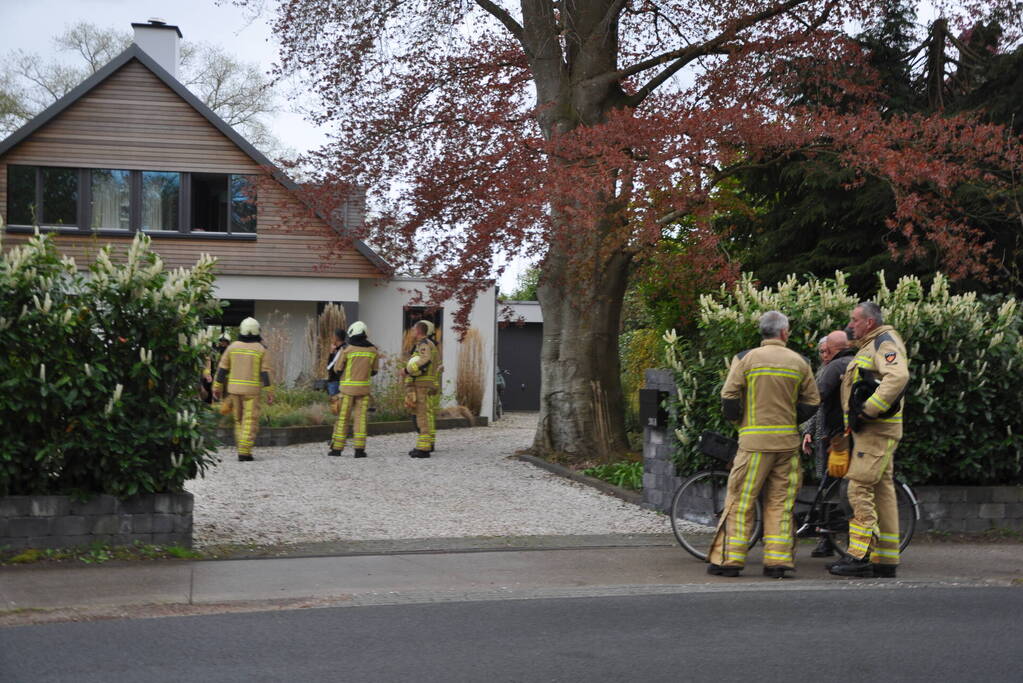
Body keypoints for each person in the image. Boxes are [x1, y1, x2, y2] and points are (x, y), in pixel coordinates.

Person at [707, 310, 820, 578]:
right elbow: (812, 402)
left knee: (741, 501)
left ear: (763, 332)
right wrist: (792, 419)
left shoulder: (745, 359)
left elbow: (729, 396)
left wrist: (739, 422)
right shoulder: (800, 361)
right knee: (781, 504)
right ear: (784, 333)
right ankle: (778, 563)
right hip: (787, 446)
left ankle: (729, 562)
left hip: (753, 445)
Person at [829, 302, 909, 578]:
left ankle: (859, 554)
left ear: (869, 323)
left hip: (876, 430)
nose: (850, 325)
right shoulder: (871, 343)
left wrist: (868, 409)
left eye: (854, 320)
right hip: (873, 431)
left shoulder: (883, 342)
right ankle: (885, 559)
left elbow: (898, 376)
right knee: (881, 491)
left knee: (858, 487)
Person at [799, 330, 856, 557]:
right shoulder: (833, 367)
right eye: (820, 351)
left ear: (834, 349)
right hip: (829, 437)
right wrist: (807, 432)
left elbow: (815, 401)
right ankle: (827, 539)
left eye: (826, 350)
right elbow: (817, 408)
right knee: (828, 488)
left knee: (833, 489)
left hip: (835, 438)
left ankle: (831, 540)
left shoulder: (834, 368)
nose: (823, 355)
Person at [212, 318, 274, 462]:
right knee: (249, 420)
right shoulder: (260, 349)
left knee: (238, 420)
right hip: (251, 391)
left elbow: (222, 369)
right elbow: (265, 372)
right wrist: (270, 391)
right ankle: (244, 451)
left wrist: (216, 387)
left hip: (234, 390)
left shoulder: (232, 347)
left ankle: (242, 448)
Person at [328, 321, 379, 458]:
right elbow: (374, 371)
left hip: (347, 391)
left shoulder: (348, 350)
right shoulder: (373, 350)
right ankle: (359, 450)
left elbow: (337, 369)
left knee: (343, 418)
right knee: (360, 419)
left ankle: (337, 449)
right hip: (363, 391)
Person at [404, 320, 440, 458]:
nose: (411, 332)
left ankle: (423, 449)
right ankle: (424, 444)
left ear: (418, 331)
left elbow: (425, 360)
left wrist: (407, 370)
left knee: (422, 416)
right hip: (424, 384)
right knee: (423, 415)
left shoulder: (424, 344)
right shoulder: (428, 344)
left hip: (421, 386)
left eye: (413, 329)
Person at [200, 333, 231, 404]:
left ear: (228, 342)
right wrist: (208, 372)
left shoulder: (230, 352)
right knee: (216, 397)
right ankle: (216, 411)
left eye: (225, 342)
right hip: (217, 378)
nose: (223, 343)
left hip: (228, 379)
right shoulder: (215, 352)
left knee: (227, 398)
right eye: (221, 341)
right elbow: (209, 360)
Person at [325, 328, 348, 400]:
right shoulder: (340, 348)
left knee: (335, 405)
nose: (331, 338)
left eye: (332, 336)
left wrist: (331, 353)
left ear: (336, 338)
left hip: (336, 381)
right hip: (336, 380)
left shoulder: (342, 349)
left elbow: (330, 366)